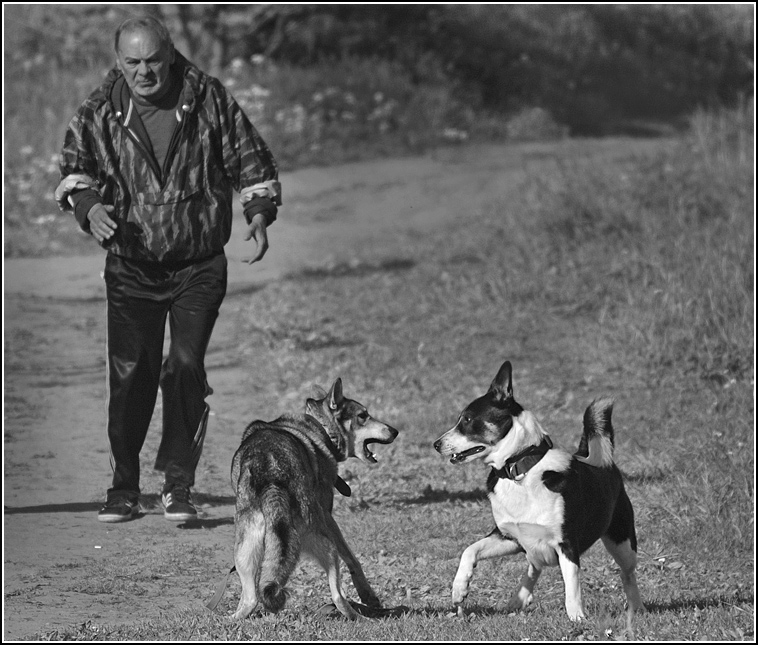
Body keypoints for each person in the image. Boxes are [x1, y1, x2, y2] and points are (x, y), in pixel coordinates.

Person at [55, 16, 281, 523]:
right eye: (131, 62)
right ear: (119, 62)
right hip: (131, 267)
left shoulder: (208, 99)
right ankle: (124, 489)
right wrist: (89, 207)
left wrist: (259, 213)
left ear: (170, 54)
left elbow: (251, 159)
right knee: (131, 374)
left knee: (184, 366)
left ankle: (178, 486)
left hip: (197, 265)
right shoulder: (100, 110)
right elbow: (74, 168)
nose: (143, 72)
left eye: (152, 60)